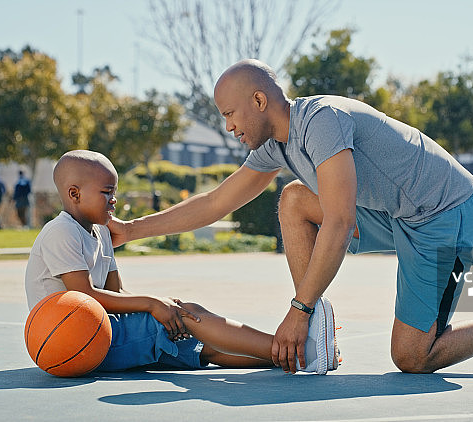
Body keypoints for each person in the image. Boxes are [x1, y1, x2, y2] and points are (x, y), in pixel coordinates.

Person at [107, 59, 473, 374]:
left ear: (259, 101)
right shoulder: (276, 144)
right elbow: (216, 203)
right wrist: (130, 230)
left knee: (413, 357)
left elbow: (338, 221)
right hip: (399, 214)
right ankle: (317, 333)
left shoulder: (322, 121)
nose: (228, 126)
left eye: (230, 113)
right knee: (295, 200)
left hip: (447, 214)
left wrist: (298, 309)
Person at [25, 150, 339, 374]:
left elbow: (117, 295)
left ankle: (297, 358)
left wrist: (160, 305)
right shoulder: (61, 232)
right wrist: (153, 304)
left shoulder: (102, 232)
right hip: (71, 340)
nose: (114, 200)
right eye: (107, 192)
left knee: (202, 346)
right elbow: (85, 297)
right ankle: (298, 348)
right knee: (189, 314)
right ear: (74, 194)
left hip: (101, 332)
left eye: (114, 192)